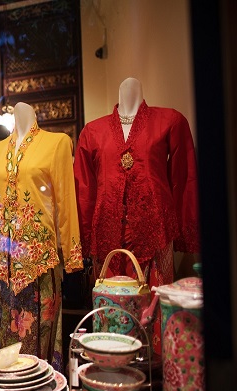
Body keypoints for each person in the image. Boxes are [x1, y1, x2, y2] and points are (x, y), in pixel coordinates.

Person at [73, 77, 200, 355]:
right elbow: (85, 191)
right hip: (106, 240)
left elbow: (183, 179)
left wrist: (185, 231)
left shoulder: (170, 121)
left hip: (154, 236)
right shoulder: (92, 131)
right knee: (110, 314)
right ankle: (110, 367)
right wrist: (82, 240)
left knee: (154, 314)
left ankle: (154, 375)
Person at [0, 102, 83, 371]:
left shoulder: (57, 144)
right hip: (2, 270)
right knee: (5, 353)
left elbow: (66, 202)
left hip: (40, 267)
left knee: (39, 357)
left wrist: (72, 257)